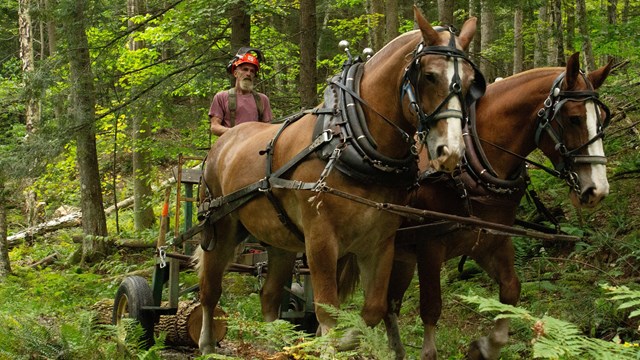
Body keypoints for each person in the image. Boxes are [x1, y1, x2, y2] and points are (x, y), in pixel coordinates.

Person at [208, 50, 273, 136]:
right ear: (235, 73)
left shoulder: (262, 99)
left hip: (255, 145)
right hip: (231, 145)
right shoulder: (221, 97)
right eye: (245, 69)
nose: (248, 73)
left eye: (252, 71)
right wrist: (236, 133)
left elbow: (268, 128)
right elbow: (215, 127)